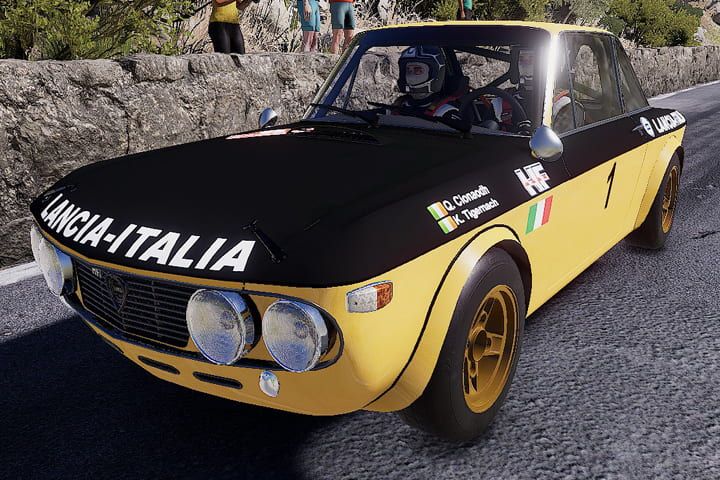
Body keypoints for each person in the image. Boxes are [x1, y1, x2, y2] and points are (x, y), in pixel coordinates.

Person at [391, 46, 464, 120]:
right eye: (408, 70)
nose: (410, 76)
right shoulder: (399, 105)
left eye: (418, 70)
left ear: (434, 73)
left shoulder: (445, 112)